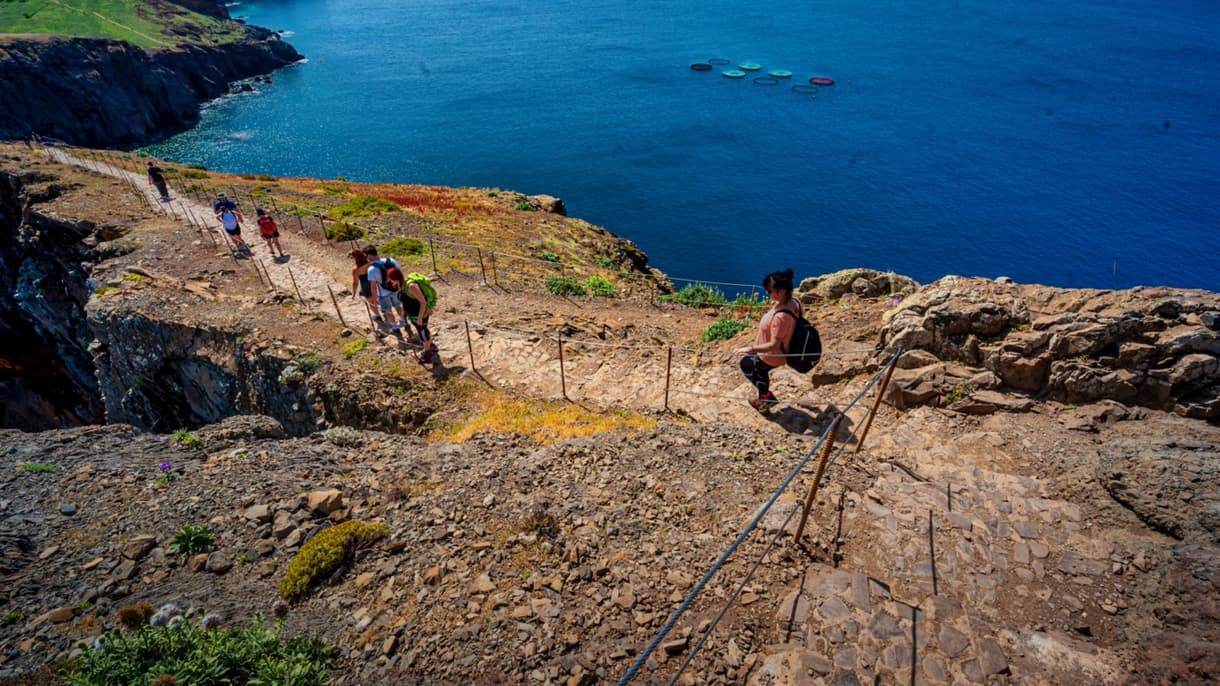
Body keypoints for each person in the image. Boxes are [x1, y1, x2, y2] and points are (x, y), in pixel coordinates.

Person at [735, 268, 802, 411]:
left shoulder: (781, 317)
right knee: (761, 371)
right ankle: (763, 401)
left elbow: (773, 344)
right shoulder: (794, 303)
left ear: (782, 291)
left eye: (770, 291)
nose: (767, 293)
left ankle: (767, 396)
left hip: (771, 355)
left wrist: (750, 349)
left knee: (745, 364)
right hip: (781, 353)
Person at [363, 246, 405, 332]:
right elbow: (400, 275)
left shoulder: (371, 269)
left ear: (369, 256)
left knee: (387, 311)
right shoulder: (391, 261)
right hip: (395, 289)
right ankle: (404, 321)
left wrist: (374, 300)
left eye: (366, 256)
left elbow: (373, 287)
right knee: (398, 306)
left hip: (383, 294)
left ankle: (394, 327)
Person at [401, 273, 438, 364]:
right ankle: (430, 345)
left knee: (423, 333)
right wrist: (404, 313)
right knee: (422, 330)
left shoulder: (411, 286)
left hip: (420, 315)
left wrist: (420, 318)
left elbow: (423, 302)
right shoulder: (403, 286)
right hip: (414, 315)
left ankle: (428, 352)